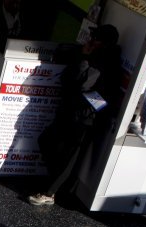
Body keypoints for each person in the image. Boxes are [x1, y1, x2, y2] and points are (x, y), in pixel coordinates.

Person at [29, 24, 122, 206]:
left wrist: (85, 58)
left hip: (85, 117)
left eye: (95, 39)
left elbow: (84, 83)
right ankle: (56, 182)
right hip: (73, 110)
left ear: (103, 42)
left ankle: (49, 192)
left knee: (68, 157)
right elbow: (67, 78)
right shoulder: (95, 56)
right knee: (47, 141)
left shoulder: (104, 60)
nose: (90, 41)